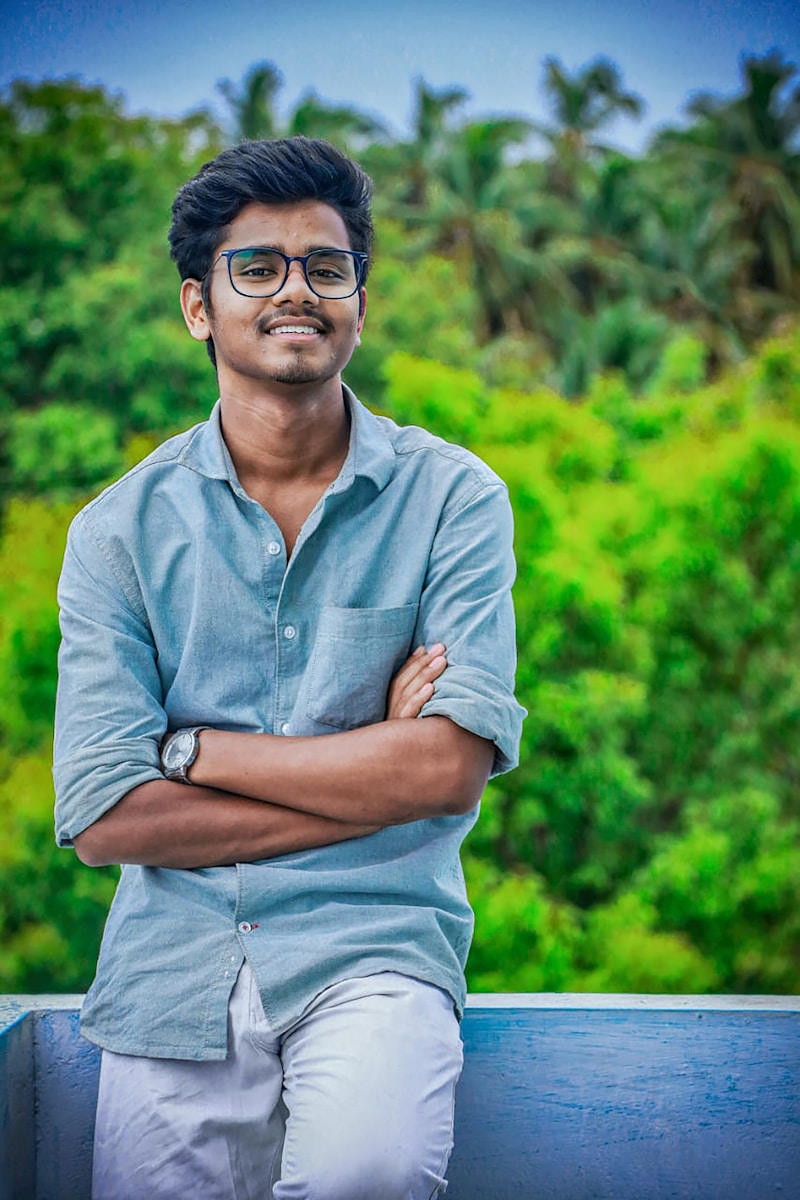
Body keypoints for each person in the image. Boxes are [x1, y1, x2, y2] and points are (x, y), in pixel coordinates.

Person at [53, 135, 525, 1200]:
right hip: (171, 971)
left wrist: (193, 752)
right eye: (256, 266)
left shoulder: (452, 501)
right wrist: (372, 774)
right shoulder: (117, 534)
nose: (295, 291)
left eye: (326, 266)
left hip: (376, 946)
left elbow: (447, 771)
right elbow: (104, 817)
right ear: (196, 307)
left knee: (369, 1173)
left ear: (359, 300)